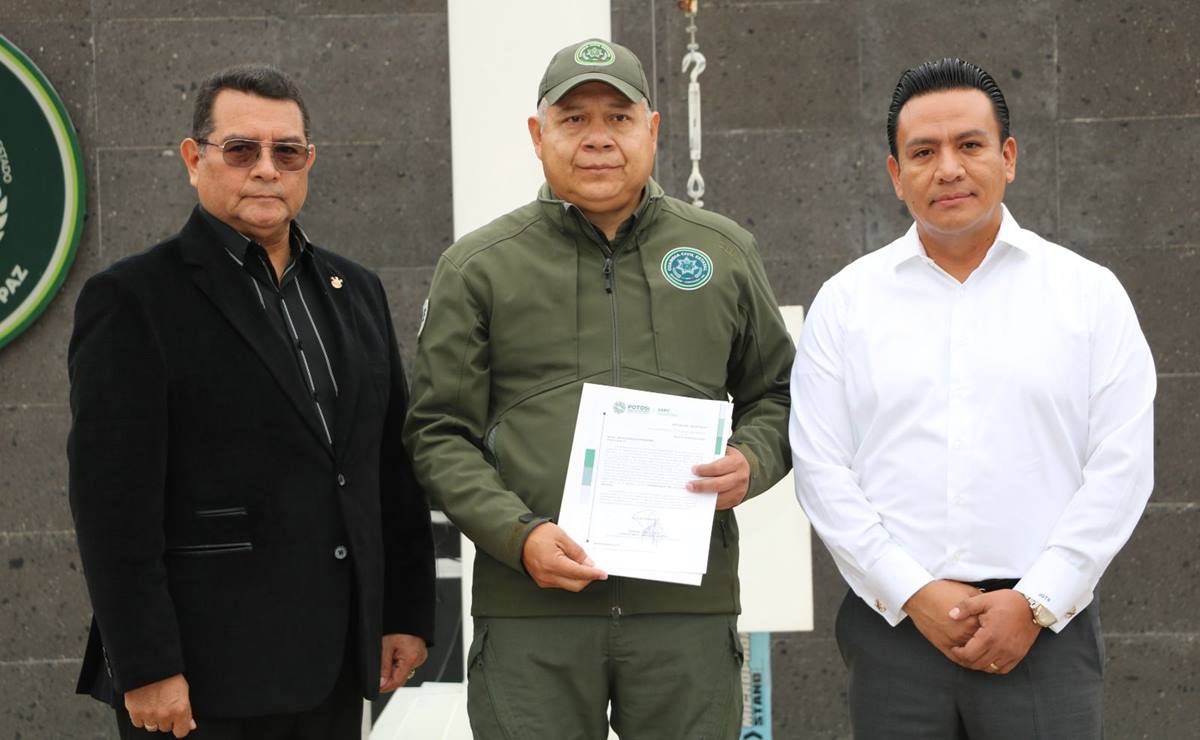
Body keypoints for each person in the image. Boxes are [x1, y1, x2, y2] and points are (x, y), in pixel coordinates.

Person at [403, 38, 794, 739]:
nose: (597, 139)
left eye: (617, 117)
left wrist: (753, 459)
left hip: (684, 611)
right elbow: (438, 435)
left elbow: (780, 393)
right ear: (537, 134)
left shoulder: (723, 252)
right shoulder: (478, 267)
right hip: (530, 615)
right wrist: (518, 537)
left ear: (653, 128)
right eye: (573, 118)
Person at [790, 57, 1155, 739]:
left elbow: (1122, 467)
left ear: (1008, 157)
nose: (948, 169)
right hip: (895, 633)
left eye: (970, 145)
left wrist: (1037, 600)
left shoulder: (1087, 296)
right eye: (923, 152)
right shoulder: (847, 303)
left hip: (1045, 634)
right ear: (896, 174)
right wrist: (913, 590)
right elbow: (821, 470)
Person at [67, 64, 436, 739]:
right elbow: (111, 505)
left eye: (286, 151)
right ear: (193, 158)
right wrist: (146, 665)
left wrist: (405, 612)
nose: (266, 169)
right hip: (202, 676)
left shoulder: (357, 292)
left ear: (308, 163)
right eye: (241, 149)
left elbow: (386, 463)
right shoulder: (134, 300)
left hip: (332, 662)